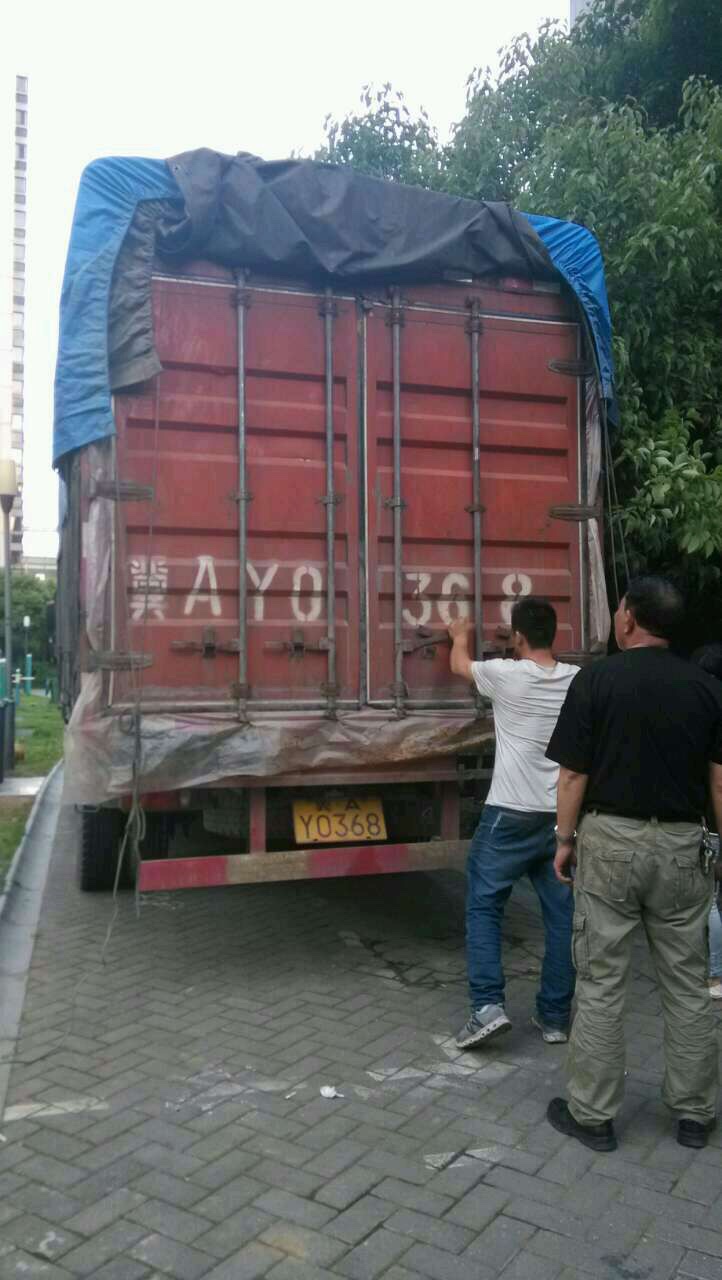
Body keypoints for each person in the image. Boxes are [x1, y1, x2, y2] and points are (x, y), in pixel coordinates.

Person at [546, 577, 721, 1153]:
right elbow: (720, 782)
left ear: (628, 620)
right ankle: (694, 1115)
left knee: (601, 982)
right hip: (682, 847)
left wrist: (564, 839)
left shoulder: (596, 680)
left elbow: (573, 773)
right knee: (688, 984)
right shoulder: (707, 689)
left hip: (610, 842)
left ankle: (593, 1116)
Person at [447, 597, 579, 1050]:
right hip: (560, 819)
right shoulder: (577, 680)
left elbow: (460, 665)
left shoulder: (506, 674)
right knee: (562, 917)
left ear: (517, 636)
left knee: (484, 905)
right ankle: (555, 1017)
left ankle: (487, 1007)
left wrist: (460, 635)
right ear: (553, 634)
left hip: (509, 814)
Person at [692, 643, 722, 1000]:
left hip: (711, 823)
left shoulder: (702, 714)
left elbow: (716, 782)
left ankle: (716, 975)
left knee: (710, 901)